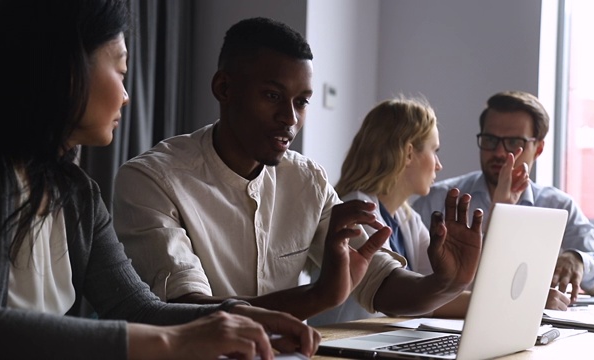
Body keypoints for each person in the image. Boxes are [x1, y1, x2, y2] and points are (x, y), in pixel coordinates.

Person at [0, 1, 320, 359]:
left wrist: (236, 315)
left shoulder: (75, 193)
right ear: (63, 69)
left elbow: (137, 309)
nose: (125, 95)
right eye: (120, 72)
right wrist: (178, 341)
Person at [113, 17, 484, 322]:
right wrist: (318, 296)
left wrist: (448, 283)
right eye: (272, 96)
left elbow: (381, 284)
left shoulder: (308, 180)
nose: (289, 119)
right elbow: (187, 313)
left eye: (302, 102)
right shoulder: (152, 179)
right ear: (224, 88)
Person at [413, 90, 594, 309]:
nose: (500, 152)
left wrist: (579, 260)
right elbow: (410, 289)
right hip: (448, 332)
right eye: (490, 140)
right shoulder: (438, 200)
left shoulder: (559, 207)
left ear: (539, 148)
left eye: (514, 142)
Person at [309, 96, 477, 325]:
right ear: (409, 154)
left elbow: (436, 295)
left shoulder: (407, 217)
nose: (439, 164)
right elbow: (415, 299)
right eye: (434, 150)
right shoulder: (357, 210)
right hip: (340, 346)